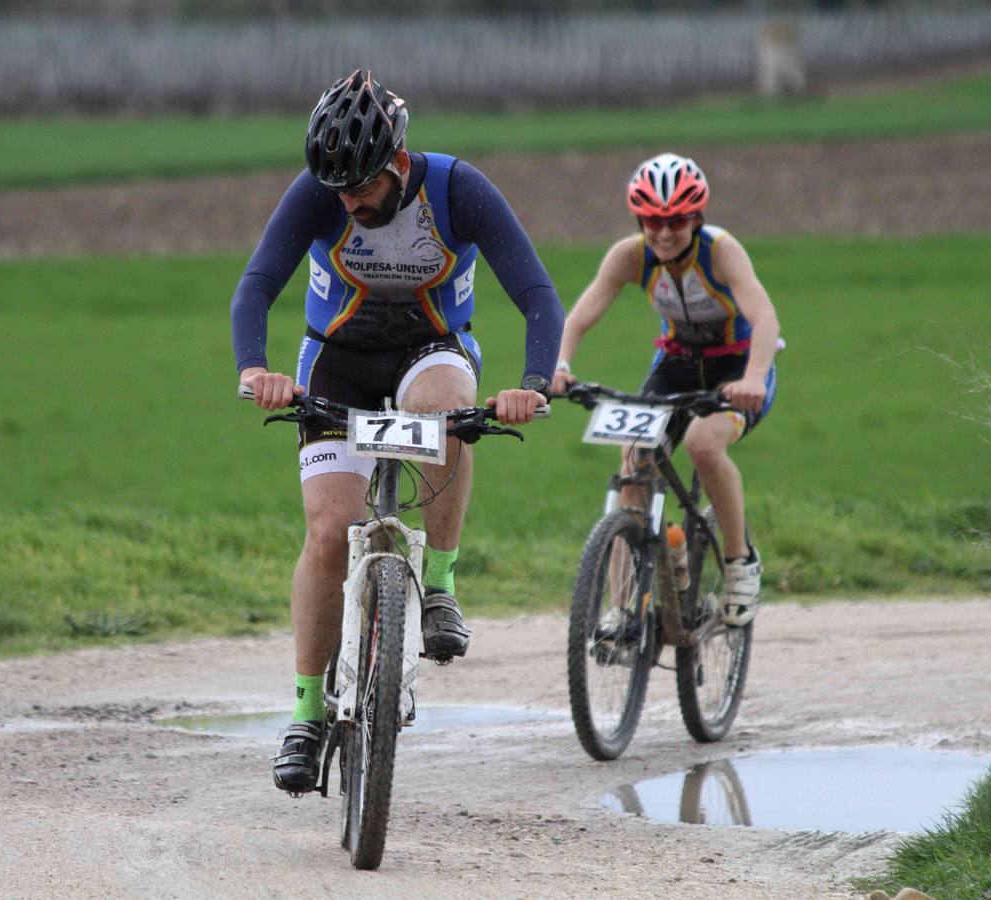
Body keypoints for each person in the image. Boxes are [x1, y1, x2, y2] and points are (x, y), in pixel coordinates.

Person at [230, 70, 562, 794]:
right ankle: (306, 714)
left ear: (398, 164)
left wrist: (531, 387)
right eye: (337, 189)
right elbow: (256, 285)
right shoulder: (319, 190)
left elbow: (536, 293)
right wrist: (257, 370)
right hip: (336, 362)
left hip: (429, 349)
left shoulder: (457, 189)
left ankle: (439, 584)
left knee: (450, 408)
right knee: (328, 533)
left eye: (361, 188)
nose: (348, 201)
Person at [552, 153, 779, 628]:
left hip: (736, 367)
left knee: (703, 443)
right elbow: (580, 316)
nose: (664, 233)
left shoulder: (721, 251)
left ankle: (739, 562)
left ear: (697, 218)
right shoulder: (629, 256)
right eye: (653, 222)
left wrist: (755, 377)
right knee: (634, 460)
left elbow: (765, 317)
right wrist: (559, 365)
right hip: (677, 363)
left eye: (676, 220)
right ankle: (621, 608)